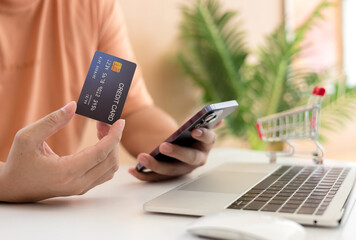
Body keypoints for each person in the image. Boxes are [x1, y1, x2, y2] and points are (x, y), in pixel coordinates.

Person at [0, 0, 217, 202]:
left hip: (53, 212)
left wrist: (174, 145)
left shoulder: (89, 6)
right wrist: (7, 182)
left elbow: (126, 111)